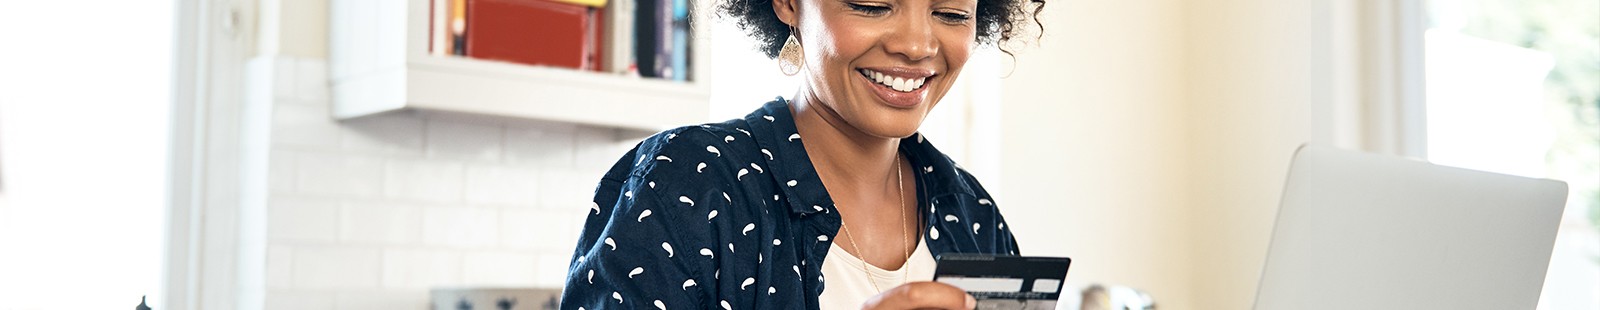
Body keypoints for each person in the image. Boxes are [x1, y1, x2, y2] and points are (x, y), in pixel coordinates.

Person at [560, 0, 1043, 306]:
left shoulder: (972, 213)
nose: (916, 46)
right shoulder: (687, 184)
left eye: (952, 14)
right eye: (872, 5)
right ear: (789, 4)